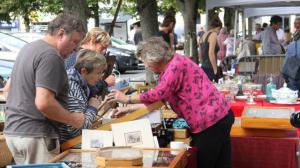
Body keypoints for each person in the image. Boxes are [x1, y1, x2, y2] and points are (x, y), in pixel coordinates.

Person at [108, 37, 234, 168]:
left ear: (155, 59)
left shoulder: (174, 67)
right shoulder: (172, 65)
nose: (146, 66)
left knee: (208, 164)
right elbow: (160, 101)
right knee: (221, 163)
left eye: (146, 62)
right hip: (218, 117)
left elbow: (158, 94)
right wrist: (127, 109)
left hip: (211, 122)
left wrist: (126, 99)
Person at [4, 13, 86, 164]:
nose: (75, 50)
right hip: (36, 135)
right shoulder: (51, 55)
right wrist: (73, 119)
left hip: (15, 132)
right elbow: (43, 102)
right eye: (75, 42)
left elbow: (7, 90)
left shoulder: (28, 48)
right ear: (61, 34)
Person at [59, 49, 106, 143]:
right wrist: (92, 108)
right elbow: (77, 131)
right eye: (98, 73)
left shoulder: (76, 82)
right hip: (70, 144)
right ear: (84, 71)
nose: (101, 77)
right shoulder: (72, 89)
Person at [64, 27, 116, 98]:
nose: (104, 52)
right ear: (92, 40)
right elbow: (84, 87)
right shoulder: (77, 57)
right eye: (102, 47)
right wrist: (105, 83)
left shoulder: (80, 55)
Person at [201, 15, 222, 82]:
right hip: (210, 68)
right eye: (220, 30)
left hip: (203, 66)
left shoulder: (204, 34)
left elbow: (201, 53)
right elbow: (211, 53)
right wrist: (215, 69)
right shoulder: (213, 34)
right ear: (218, 28)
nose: (219, 33)